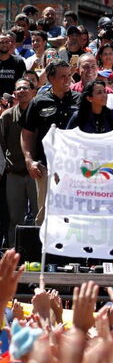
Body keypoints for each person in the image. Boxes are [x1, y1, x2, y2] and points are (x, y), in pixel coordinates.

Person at [19, 59, 79, 225]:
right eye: (62, 76)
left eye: (69, 76)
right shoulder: (38, 102)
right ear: (51, 78)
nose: (68, 80)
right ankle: (42, 250)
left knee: (72, 213)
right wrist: (29, 160)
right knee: (45, 215)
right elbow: (27, 134)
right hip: (46, 167)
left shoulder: (80, 101)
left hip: (74, 168)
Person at [0, 78, 37, 242]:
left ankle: (36, 254)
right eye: (18, 89)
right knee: (15, 218)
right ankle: (13, 254)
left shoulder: (40, 114)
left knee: (38, 216)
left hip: (36, 174)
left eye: (25, 88)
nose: (22, 91)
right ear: (14, 93)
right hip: (14, 174)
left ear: (33, 92)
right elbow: (2, 144)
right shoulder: (7, 117)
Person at [0, 31, 26, 96]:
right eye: (1, 42)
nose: (5, 44)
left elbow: (22, 82)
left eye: (7, 42)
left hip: (14, 100)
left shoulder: (19, 61)